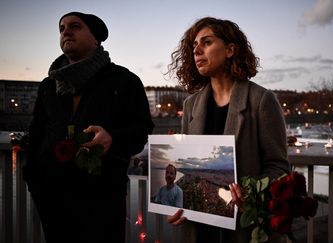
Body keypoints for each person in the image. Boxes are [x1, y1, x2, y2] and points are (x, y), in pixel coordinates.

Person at [22, 12, 154, 243]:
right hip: (51, 195)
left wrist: (113, 138)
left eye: (75, 26)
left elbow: (142, 129)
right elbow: (37, 132)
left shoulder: (124, 80)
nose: (66, 31)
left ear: (96, 38)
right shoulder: (48, 85)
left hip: (101, 197)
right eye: (61, 28)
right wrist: (33, 178)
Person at [166, 17, 290, 243]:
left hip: (243, 229)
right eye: (194, 46)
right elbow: (187, 170)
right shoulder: (190, 106)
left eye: (206, 42)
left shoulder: (262, 100)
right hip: (199, 230)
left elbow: (279, 166)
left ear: (230, 50)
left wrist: (250, 196)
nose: (197, 51)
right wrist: (180, 205)